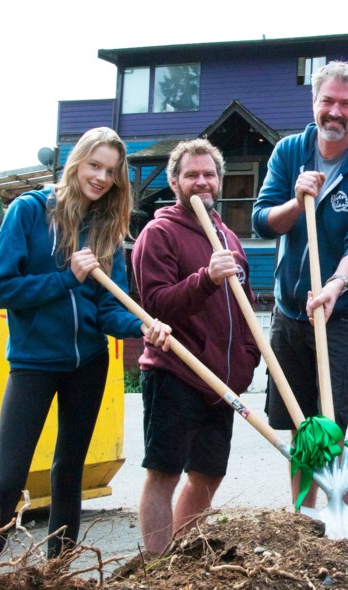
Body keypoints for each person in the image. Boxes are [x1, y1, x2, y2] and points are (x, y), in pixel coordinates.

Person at [0, 127, 171, 559]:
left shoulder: (107, 229)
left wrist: (142, 326)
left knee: (68, 472)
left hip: (88, 363)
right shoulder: (28, 211)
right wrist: (66, 279)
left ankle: (58, 572)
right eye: (94, 165)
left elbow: (107, 311)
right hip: (34, 362)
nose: (100, 177)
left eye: (111, 172)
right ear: (76, 162)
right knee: (10, 476)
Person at [251, 60, 348, 508]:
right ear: (314, 103)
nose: (335, 112)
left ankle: (343, 535)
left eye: (345, 104)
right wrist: (296, 202)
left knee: (341, 429)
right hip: (291, 312)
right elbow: (262, 221)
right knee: (303, 428)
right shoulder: (288, 152)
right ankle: (305, 522)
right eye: (327, 101)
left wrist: (334, 285)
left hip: (344, 315)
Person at [132, 139, 261, 553]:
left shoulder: (229, 237)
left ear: (219, 181)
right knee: (164, 472)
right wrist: (205, 278)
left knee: (208, 474)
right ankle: (155, 567)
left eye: (209, 174)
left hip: (220, 384)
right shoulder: (160, 232)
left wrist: (247, 358)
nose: (201, 182)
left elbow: (245, 307)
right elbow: (154, 304)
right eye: (192, 175)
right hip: (176, 371)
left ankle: (178, 559)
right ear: (175, 181)